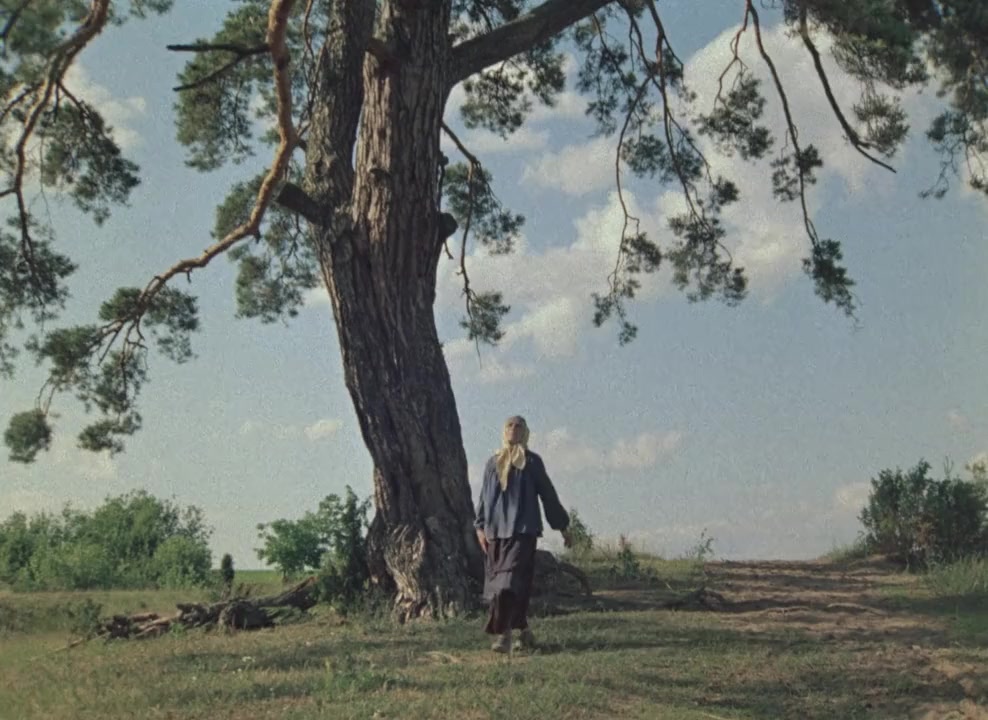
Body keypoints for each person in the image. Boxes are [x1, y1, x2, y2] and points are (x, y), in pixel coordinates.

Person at [473, 415, 572, 653]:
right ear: (503, 430)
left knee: (508, 583)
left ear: (525, 432)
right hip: (496, 534)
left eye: (519, 426)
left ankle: (504, 636)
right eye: (510, 425)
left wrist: (563, 527)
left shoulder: (532, 462)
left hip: (523, 531)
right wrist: (479, 527)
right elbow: (484, 498)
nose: (514, 429)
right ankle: (524, 632)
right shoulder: (492, 463)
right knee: (506, 587)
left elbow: (548, 495)